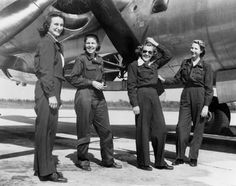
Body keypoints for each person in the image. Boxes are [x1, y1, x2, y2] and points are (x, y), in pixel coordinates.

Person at [68, 34, 122, 171]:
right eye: (88, 43)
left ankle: (108, 160)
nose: (90, 45)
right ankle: (83, 159)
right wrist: (91, 82)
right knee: (84, 130)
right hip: (84, 95)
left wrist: (102, 83)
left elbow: (101, 77)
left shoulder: (100, 60)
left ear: (97, 45)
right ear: (85, 45)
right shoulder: (81, 59)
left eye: (93, 43)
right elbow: (73, 78)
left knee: (106, 130)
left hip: (99, 96)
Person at [159, 39, 213, 167]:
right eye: (192, 48)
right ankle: (180, 156)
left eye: (195, 48)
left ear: (201, 51)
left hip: (200, 95)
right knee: (181, 127)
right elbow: (177, 79)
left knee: (198, 129)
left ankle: (193, 157)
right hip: (186, 95)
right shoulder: (185, 63)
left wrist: (206, 105)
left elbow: (209, 89)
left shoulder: (206, 66)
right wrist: (163, 80)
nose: (192, 50)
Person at [127, 37, 174, 171]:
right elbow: (131, 87)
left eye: (150, 52)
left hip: (154, 96)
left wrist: (155, 43)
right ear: (140, 52)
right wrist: (134, 104)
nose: (147, 54)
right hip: (141, 97)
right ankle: (143, 162)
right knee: (143, 130)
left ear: (153, 53)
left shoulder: (154, 64)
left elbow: (168, 55)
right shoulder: (134, 66)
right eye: (145, 51)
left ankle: (160, 162)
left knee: (160, 129)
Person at [34, 12, 67, 182]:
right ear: (48, 25)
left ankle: (41, 167)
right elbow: (46, 71)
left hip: (52, 90)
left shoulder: (55, 44)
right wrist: (51, 95)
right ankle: (46, 172)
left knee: (47, 130)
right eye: (56, 24)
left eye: (61, 25)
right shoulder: (47, 43)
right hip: (48, 91)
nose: (59, 28)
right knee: (46, 131)